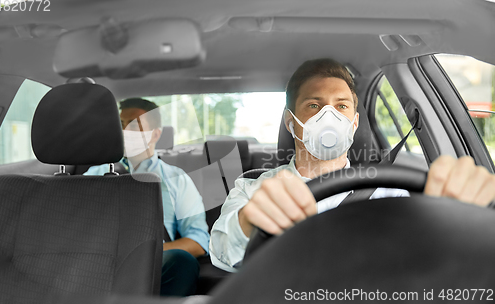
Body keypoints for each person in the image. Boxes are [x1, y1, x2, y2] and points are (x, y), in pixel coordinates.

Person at [209, 58, 495, 272]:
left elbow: (423, 257)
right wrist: (250, 220)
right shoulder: (253, 188)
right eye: (314, 105)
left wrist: (458, 219)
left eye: (342, 106)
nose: (329, 117)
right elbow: (221, 254)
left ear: (354, 123)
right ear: (290, 123)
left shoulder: (389, 192)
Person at [84, 98, 209, 296]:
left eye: (135, 126)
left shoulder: (177, 179)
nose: (124, 132)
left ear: (155, 134)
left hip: (154, 262)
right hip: (99, 263)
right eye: (121, 125)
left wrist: (149, 254)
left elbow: (198, 239)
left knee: (182, 262)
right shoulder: (95, 174)